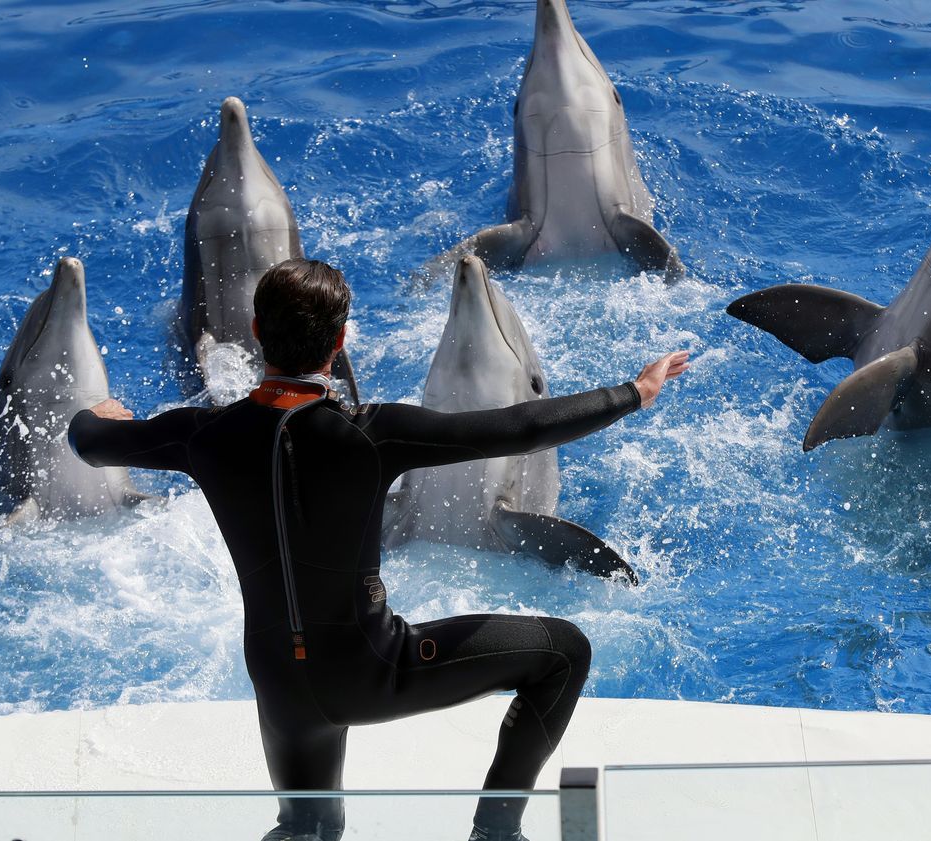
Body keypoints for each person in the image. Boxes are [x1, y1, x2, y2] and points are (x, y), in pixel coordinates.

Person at [68, 258, 688, 841]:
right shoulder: (374, 432)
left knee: (311, 829)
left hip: (280, 683)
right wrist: (633, 393)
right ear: (340, 344)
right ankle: (495, 835)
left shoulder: (200, 436)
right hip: (372, 667)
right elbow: (519, 428)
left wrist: (96, 414)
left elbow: (91, 441)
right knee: (563, 652)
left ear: (257, 332)